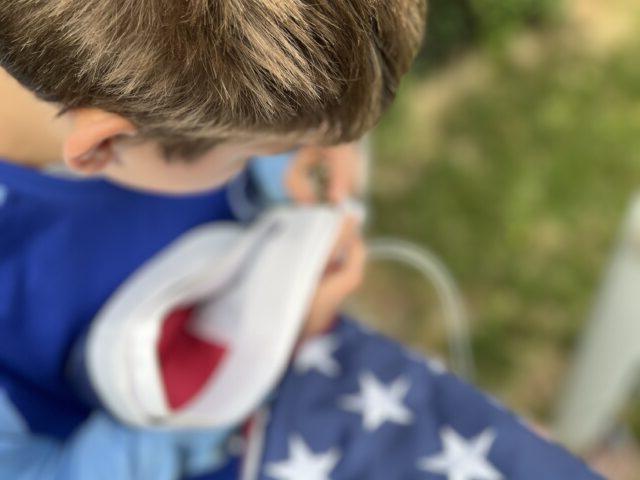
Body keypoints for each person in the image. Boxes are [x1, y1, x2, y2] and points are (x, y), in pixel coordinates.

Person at [0, 1, 602, 479]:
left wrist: (307, 140)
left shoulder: (138, 91)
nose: (282, 158)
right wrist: (267, 347)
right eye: (254, 154)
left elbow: (210, 94)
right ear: (100, 147)